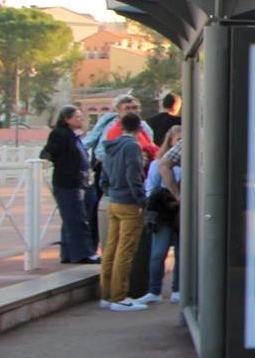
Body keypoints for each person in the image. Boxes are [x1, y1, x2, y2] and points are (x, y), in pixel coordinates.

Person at [98, 112, 150, 311]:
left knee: (111, 248)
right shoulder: (132, 147)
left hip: (113, 200)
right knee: (126, 250)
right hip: (129, 202)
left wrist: (110, 191)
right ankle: (120, 296)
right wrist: (141, 200)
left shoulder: (111, 146)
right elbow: (134, 175)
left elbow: (103, 176)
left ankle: (107, 294)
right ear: (140, 129)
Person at [39, 105, 99, 265]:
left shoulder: (74, 136)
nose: (81, 119)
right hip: (68, 183)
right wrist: (66, 166)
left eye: (81, 116)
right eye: (77, 117)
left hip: (80, 183)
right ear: (67, 119)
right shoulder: (60, 134)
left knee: (73, 218)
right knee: (76, 218)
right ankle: (83, 253)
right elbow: (47, 153)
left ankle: (68, 253)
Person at [137, 125, 182, 305]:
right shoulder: (158, 163)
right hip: (164, 210)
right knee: (158, 252)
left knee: (182, 252)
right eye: (178, 140)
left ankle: (177, 288)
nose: (181, 143)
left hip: (181, 210)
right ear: (170, 141)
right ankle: (154, 289)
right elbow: (151, 187)